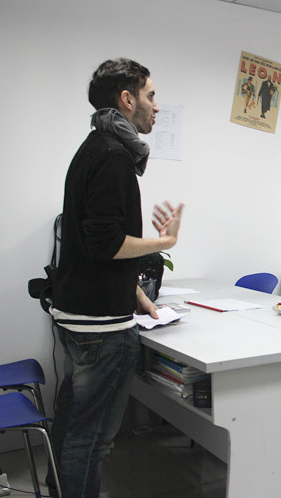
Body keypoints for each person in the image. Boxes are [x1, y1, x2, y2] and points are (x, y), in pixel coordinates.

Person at [49, 58, 184, 498]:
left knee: (73, 425)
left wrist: (138, 294)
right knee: (90, 441)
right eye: (150, 96)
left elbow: (90, 242)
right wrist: (164, 242)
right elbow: (105, 243)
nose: (156, 106)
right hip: (101, 329)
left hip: (78, 316)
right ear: (127, 99)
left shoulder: (95, 146)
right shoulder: (113, 156)